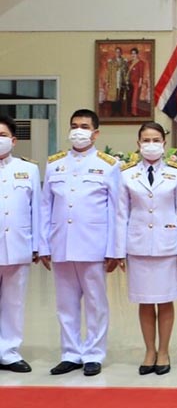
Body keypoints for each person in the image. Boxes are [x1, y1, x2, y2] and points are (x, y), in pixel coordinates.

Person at [40, 109, 122, 376]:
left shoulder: (109, 165)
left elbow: (116, 210)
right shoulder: (54, 164)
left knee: (96, 303)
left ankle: (94, 354)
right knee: (65, 304)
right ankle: (71, 353)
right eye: (74, 125)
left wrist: (114, 249)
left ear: (95, 133)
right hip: (61, 243)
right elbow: (45, 207)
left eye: (84, 126)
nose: (78, 131)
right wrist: (44, 245)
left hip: (93, 245)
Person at [116, 122, 177, 375]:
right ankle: (149, 351)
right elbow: (121, 214)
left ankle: (164, 351)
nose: (151, 145)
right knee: (145, 301)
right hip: (137, 246)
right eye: (146, 140)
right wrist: (119, 251)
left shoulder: (176, 175)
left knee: (165, 300)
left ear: (164, 144)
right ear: (138, 144)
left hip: (167, 246)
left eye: (156, 140)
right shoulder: (126, 175)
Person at [0, 115, 41, 373]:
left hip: (17, 244)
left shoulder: (29, 169)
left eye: (3, 135)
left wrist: (37, 245)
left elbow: (37, 209)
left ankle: (9, 352)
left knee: (14, 302)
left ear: (13, 141)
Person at [104, 47, 128, 117]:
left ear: (121, 53)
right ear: (115, 53)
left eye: (119, 52)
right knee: (113, 97)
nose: (118, 53)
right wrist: (107, 81)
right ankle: (113, 111)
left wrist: (126, 81)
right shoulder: (111, 62)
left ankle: (119, 111)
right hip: (113, 82)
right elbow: (109, 72)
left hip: (121, 82)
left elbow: (126, 72)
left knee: (120, 97)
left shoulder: (124, 62)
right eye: (116, 52)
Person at [126, 47, 148, 116]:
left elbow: (141, 73)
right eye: (132, 53)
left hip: (136, 82)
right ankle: (129, 110)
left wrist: (140, 82)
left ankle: (134, 111)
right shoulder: (129, 62)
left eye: (134, 53)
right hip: (129, 82)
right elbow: (126, 73)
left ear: (137, 54)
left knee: (135, 98)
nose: (133, 55)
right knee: (129, 96)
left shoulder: (141, 63)